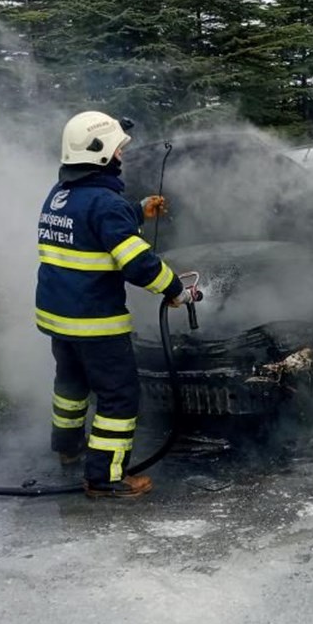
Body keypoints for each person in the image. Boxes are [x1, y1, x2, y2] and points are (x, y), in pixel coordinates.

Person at [35, 111, 194, 497]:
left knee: (70, 385)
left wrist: (137, 211)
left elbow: (91, 228)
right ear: (102, 154)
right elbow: (138, 263)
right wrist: (175, 290)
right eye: (119, 148)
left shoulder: (59, 195)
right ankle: (104, 478)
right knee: (119, 397)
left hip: (59, 319)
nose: (123, 153)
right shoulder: (106, 204)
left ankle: (67, 449)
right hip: (95, 323)